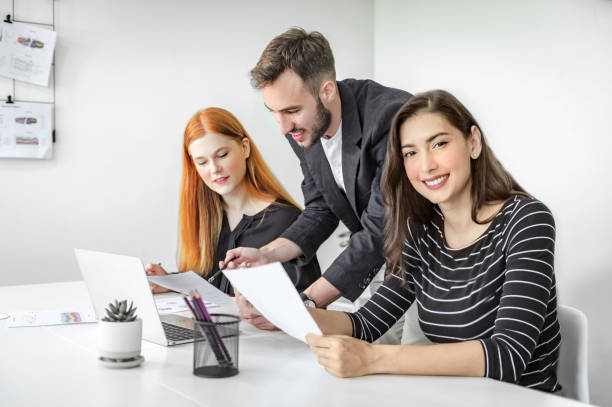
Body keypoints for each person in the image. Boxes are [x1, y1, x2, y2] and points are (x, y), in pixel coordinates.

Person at [304, 90, 561, 393]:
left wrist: (373, 359)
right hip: (451, 397)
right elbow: (366, 323)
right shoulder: (421, 231)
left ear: (473, 142)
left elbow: (507, 355)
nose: (426, 166)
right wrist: (297, 314)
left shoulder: (527, 220)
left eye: (439, 144)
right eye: (410, 153)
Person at [222, 28, 412, 332]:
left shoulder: (391, 117)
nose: (283, 127)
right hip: (382, 266)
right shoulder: (301, 128)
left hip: (432, 267)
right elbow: (321, 207)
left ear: (326, 91)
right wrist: (267, 255)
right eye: (273, 112)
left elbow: (381, 227)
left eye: (291, 111)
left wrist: (303, 304)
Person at [146, 107, 320, 296]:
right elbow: (211, 284)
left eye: (222, 155)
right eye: (202, 162)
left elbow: (310, 305)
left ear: (244, 148)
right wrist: (171, 282)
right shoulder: (206, 216)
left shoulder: (287, 221)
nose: (214, 169)